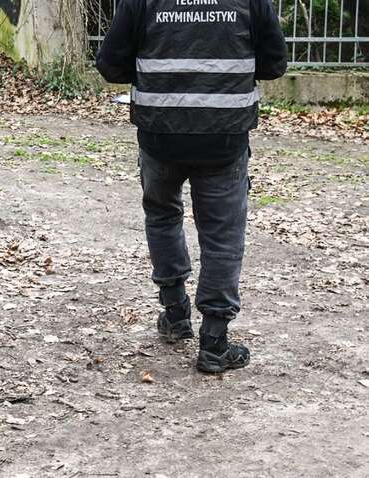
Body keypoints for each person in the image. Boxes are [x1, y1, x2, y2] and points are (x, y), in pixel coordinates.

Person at [95, 0, 287, 372]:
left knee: (162, 216)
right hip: (223, 138)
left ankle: (175, 314)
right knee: (222, 235)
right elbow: (274, 64)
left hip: (160, 135)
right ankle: (214, 342)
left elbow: (110, 64)